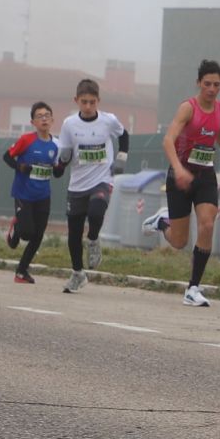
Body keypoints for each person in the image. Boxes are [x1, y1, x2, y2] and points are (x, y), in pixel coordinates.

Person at [142, 60, 220, 307]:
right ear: (198, 83)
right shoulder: (187, 109)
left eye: (217, 85)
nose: (212, 89)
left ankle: (193, 288)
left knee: (207, 224)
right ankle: (161, 221)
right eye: (207, 84)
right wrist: (178, 169)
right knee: (178, 242)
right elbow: (168, 140)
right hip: (180, 175)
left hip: (205, 175)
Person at [55, 78, 129, 293]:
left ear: (98, 101)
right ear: (76, 100)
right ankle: (78, 273)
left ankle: (94, 239)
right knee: (73, 234)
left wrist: (122, 157)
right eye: (84, 102)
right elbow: (66, 152)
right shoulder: (69, 124)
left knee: (96, 212)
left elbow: (124, 135)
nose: (88, 107)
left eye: (92, 102)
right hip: (77, 184)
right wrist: (60, 165)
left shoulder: (108, 121)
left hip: (102, 179)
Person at [2, 102, 63, 283]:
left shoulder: (57, 145)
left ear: (52, 120)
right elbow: (7, 156)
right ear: (33, 122)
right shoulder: (26, 140)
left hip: (43, 195)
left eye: (47, 115)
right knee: (27, 233)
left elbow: (57, 172)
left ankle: (21, 271)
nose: (44, 119)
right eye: (39, 116)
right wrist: (20, 167)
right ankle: (18, 224)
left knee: (38, 236)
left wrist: (62, 167)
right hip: (23, 193)